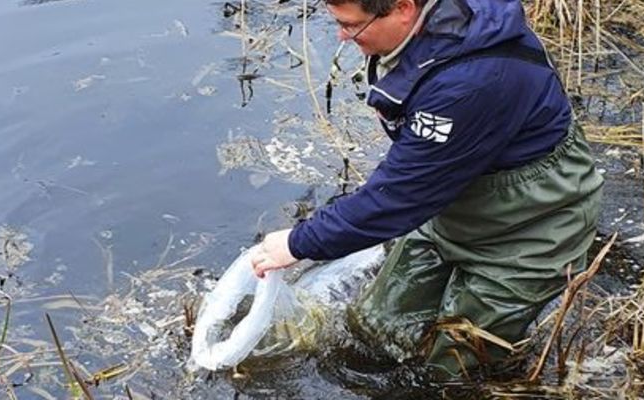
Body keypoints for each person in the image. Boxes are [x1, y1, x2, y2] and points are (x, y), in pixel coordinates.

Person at [250, 0, 603, 377]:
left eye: (350, 26)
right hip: (458, 199)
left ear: (403, 8)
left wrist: (298, 243)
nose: (341, 36)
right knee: (374, 327)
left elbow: (399, 198)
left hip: (533, 224)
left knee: (451, 371)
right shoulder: (425, 24)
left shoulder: (468, 86)